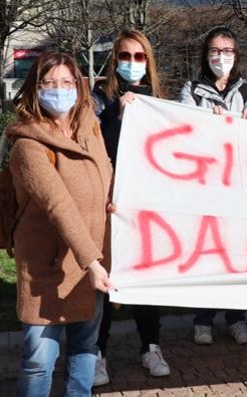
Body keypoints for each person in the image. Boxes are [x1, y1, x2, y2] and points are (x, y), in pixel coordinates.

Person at [5, 51, 114, 397]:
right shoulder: (27, 144)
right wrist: (93, 262)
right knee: (40, 358)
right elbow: (58, 205)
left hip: (90, 261)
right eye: (49, 83)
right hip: (49, 267)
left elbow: (106, 174)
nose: (59, 90)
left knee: (85, 346)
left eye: (67, 82)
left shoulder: (90, 129)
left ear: (79, 87)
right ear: (34, 89)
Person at [91, 29, 170, 386]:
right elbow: (94, 150)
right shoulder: (97, 99)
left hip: (147, 209)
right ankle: (98, 353)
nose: (132, 63)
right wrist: (119, 118)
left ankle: (150, 346)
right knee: (105, 283)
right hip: (110, 206)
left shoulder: (159, 100)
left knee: (144, 281)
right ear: (114, 59)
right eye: (125, 56)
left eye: (140, 57)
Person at [178, 26, 247, 346]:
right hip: (205, 184)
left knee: (236, 254)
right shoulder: (192, 88)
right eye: (215, 51)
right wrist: (206, 120)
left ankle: (237, 319)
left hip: (238, 185)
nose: (221, 57)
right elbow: (186, 126)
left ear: (236, 55)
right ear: (205, 55)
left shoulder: (246, 90)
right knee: (207, 254)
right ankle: (203, 320)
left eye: (228, 51)